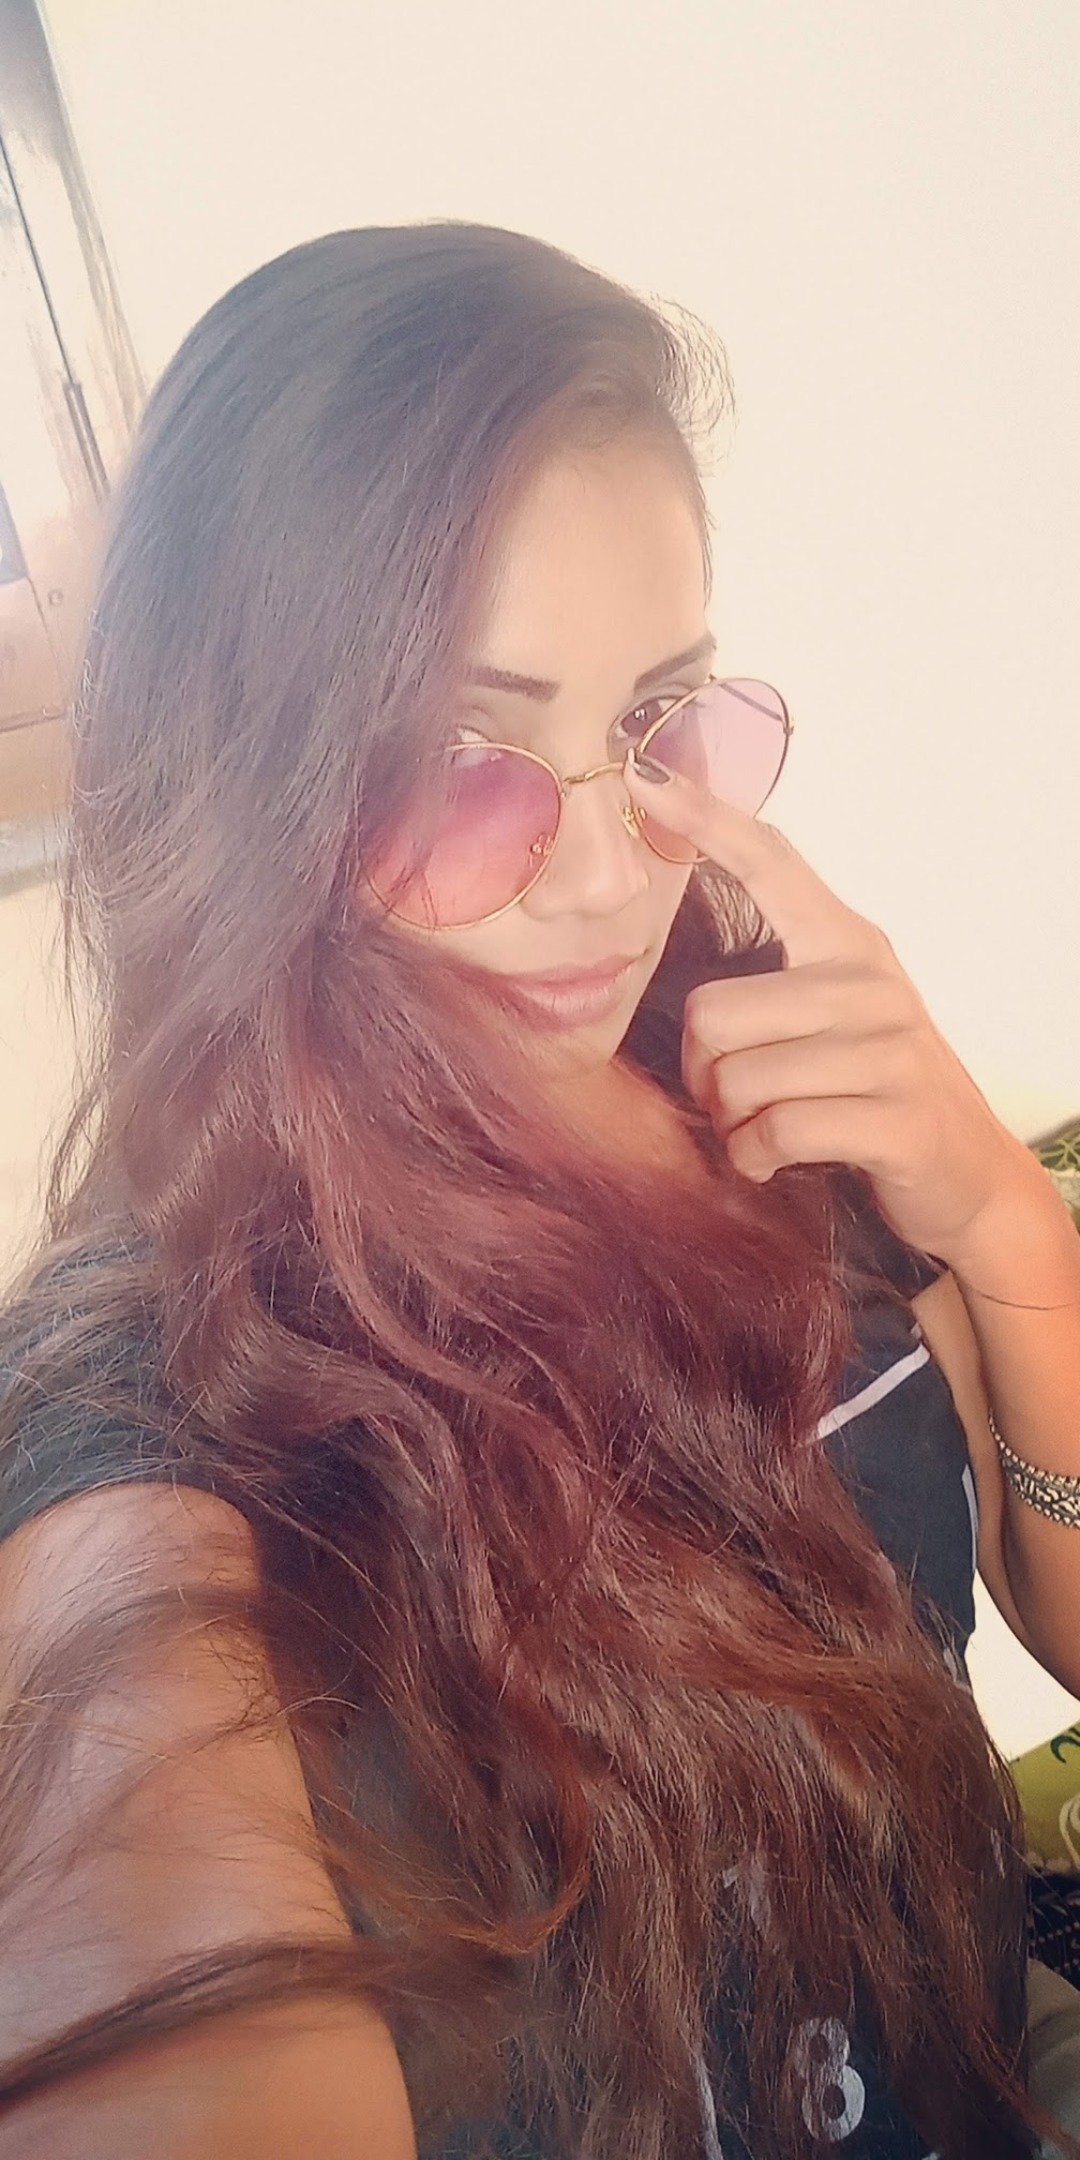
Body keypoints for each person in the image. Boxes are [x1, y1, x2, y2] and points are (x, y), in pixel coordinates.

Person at [0, 221, 1079, 2160]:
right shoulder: (161, 1403)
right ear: (253, 782)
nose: (603, 879)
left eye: (659, 724)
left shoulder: (774, 1074)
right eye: (458, 759)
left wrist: (1005, 1219)